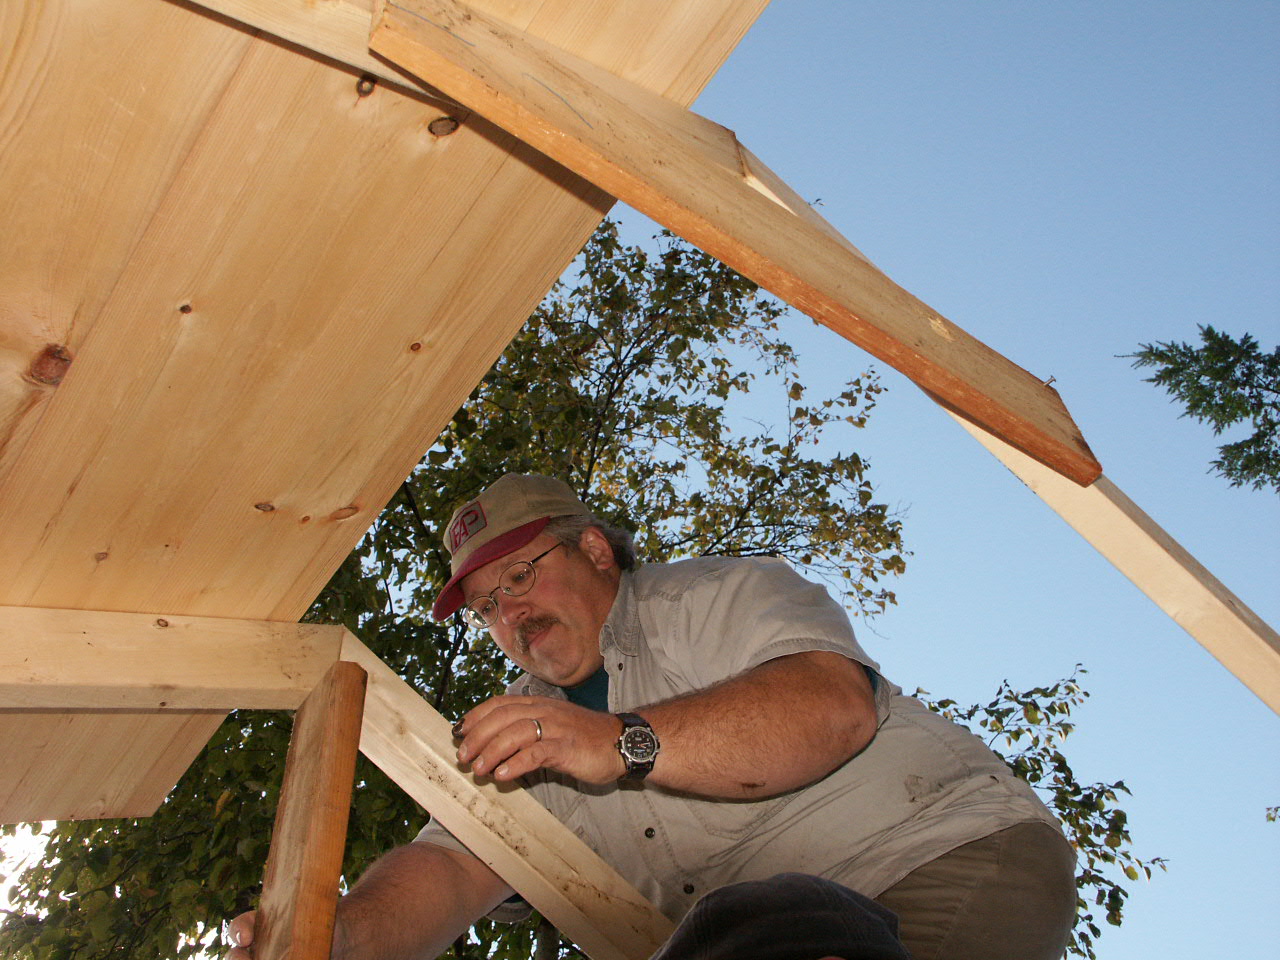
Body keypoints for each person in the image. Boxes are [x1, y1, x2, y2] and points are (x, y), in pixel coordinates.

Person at [227, 474, 1076, 960]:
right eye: (486, 606)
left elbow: (829, 709)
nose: (509, 615)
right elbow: (450, 869)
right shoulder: (525, 728)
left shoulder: (711, 596)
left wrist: (619, 741)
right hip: (754, 939)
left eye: (519, 576)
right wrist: (333, 935)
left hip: (931, 859)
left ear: (595, 549)